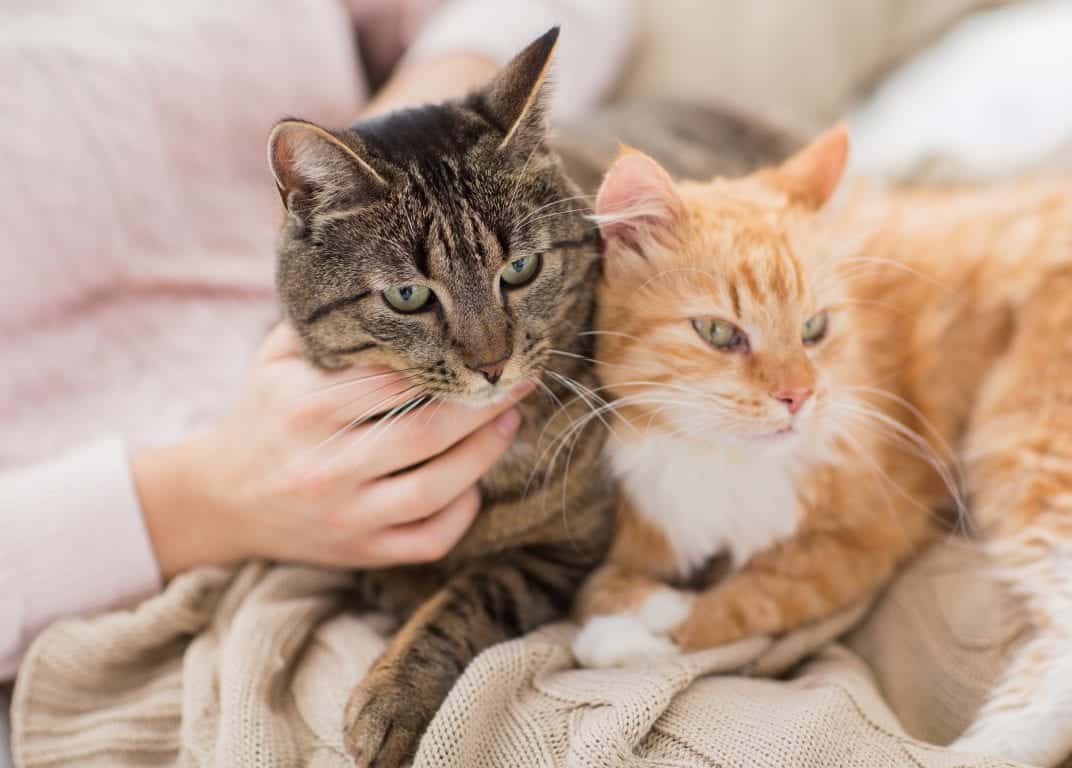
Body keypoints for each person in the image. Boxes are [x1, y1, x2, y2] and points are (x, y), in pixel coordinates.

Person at [0, 0, 633, 759]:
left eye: (518, 274)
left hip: (404, 197)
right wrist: (199, 500)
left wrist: (434, 123)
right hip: (134, 550)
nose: (490, 354)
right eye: (414, 298)